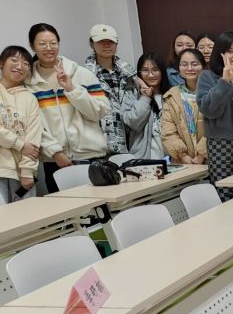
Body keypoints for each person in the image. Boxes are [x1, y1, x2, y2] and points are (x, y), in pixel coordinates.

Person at [25, 24, 110, 193]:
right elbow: (32, 125)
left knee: (100, 206)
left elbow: (100, 111)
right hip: (54, 161)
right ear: (32, 46)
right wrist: (55, 152)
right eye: (42, 44)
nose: (49, 48)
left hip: (91, 156)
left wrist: (72, 89)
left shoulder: (81, 74)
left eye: (53, 43)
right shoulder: (28, 83)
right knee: (65, 208)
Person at [197, 32, 233, 201]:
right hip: (219, 147)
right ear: (220, 54)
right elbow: (209, 110)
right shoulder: (207, 77)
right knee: (224, 196)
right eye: (230, 51)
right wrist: (225, 81)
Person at [82, 24, 133, 156]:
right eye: (101, 41)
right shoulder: (84, 75)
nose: (106, 45)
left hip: (130, 140)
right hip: (99, 142)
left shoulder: (129, 72)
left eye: (110, 41)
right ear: (91, 44)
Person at [0, 46, 42, 204]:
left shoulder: (30, 98)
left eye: (26, 64)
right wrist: (20, 145)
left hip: (23, 172)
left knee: (27, 215)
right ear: (1, 63)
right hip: (1, 169)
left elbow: (33, 137)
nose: (20, 66)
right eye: (14, 60)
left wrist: (27, 170)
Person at [122, 53, 171, 160]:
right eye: (145, 70)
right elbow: (133, 123)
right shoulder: (132, 95)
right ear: (139, 73)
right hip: (144, 159)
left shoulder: (171, 95)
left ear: (162, 71)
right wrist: (145, 98)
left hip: (172, 158)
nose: (151, 75)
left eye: (155, 70)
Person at [161, 48, 206, 164]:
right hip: (182, 162)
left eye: (194, 64)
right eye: (184, 64)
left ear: (203, 67)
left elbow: (217, 127)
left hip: (211, 159)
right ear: (179, 69)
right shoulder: (172, 96)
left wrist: (201, 154)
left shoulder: (213, 92)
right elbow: (168, 131)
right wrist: (183, 156)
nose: (189, 68)